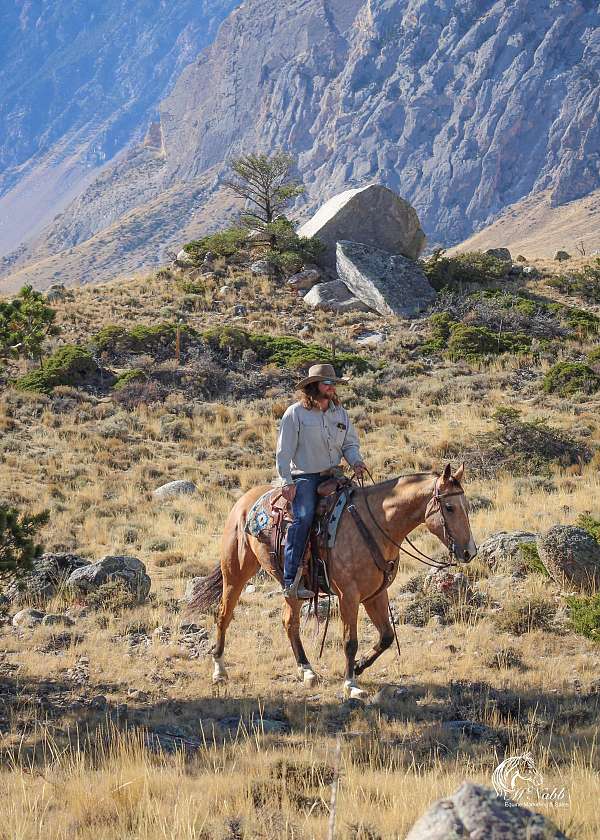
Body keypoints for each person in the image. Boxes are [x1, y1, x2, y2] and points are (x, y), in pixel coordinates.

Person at [275, 363, 367, 599]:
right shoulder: (295, 413)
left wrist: (356, 461)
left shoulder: (340, 413)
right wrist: (286, 481)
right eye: (327, 383)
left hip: (333, 474)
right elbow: (283, 452)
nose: (331, 388)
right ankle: (291, 579)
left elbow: (349, 444)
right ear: (313, 386)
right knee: (303, 518)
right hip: (305, 475)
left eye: (333, 384)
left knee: (361, 510)